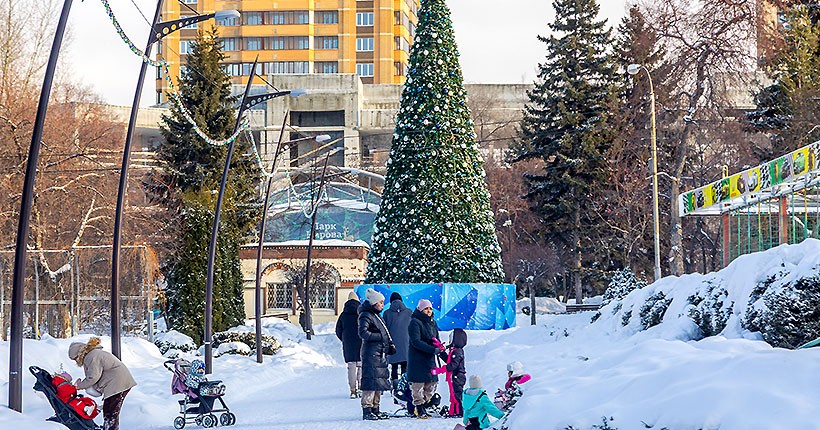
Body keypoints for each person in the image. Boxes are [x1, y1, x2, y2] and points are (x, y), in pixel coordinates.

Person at [68, 337, 136, 430]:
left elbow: (93, 377)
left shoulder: (91, 357)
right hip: (118, 382)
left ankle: (110, 428)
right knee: (109, 410)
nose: (76, 361)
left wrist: (79, 386)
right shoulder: (93, 354)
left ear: (79, 354)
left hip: (117, 383)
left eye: (75, 358)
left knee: (110, 412)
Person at [357, 288, 392, 420]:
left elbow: (385, 333)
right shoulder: (366, 315)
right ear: (374, 303)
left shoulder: (377, 315)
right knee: (370, 381)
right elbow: (363, 333)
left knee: (378, 382)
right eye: (381, 302)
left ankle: (376, 408)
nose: (382, 305)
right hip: (371, 353)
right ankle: (367, 409)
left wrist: (389, 344)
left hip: (379, 352)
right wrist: (380, 336)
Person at [407, 298, 441, 419]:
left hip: (430, 359)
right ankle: (419, 408)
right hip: (418, 359)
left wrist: (442, 352)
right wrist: (432, 350)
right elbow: (416, 341)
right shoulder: (415, 322)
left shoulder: (433, 323)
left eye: (430, 308)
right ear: (421, 310)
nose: (429, 311)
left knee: (431, 383)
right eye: (426, 308)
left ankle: (423, 405)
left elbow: (436, 340)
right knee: (418, 385)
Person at [432, 328, 467, 417]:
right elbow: (448, 361)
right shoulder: (453, 350)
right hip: (453, 377)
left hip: (457, 377)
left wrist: (440, 370)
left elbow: (453, 365)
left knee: (457, 395)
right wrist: (441, 351)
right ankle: (453, 412)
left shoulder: (457, 351)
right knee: (453, 395)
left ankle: (459, 412)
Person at [335, 291, 363, 399]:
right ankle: (361, 387)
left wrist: (344, 339)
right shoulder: (361, 314)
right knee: (360, 365)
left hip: (348, 344)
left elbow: (338, 330)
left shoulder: (343, 315)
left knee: (351, 367)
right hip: (361, 342)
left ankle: (352, 390)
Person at [382, 291, 411, 392]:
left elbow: (384, 329)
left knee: (394, 365)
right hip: (406, 343)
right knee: (405, 364)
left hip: (392, 344)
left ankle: (394, 384)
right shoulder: (409, 312)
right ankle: (404, 384)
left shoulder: (387, 313)